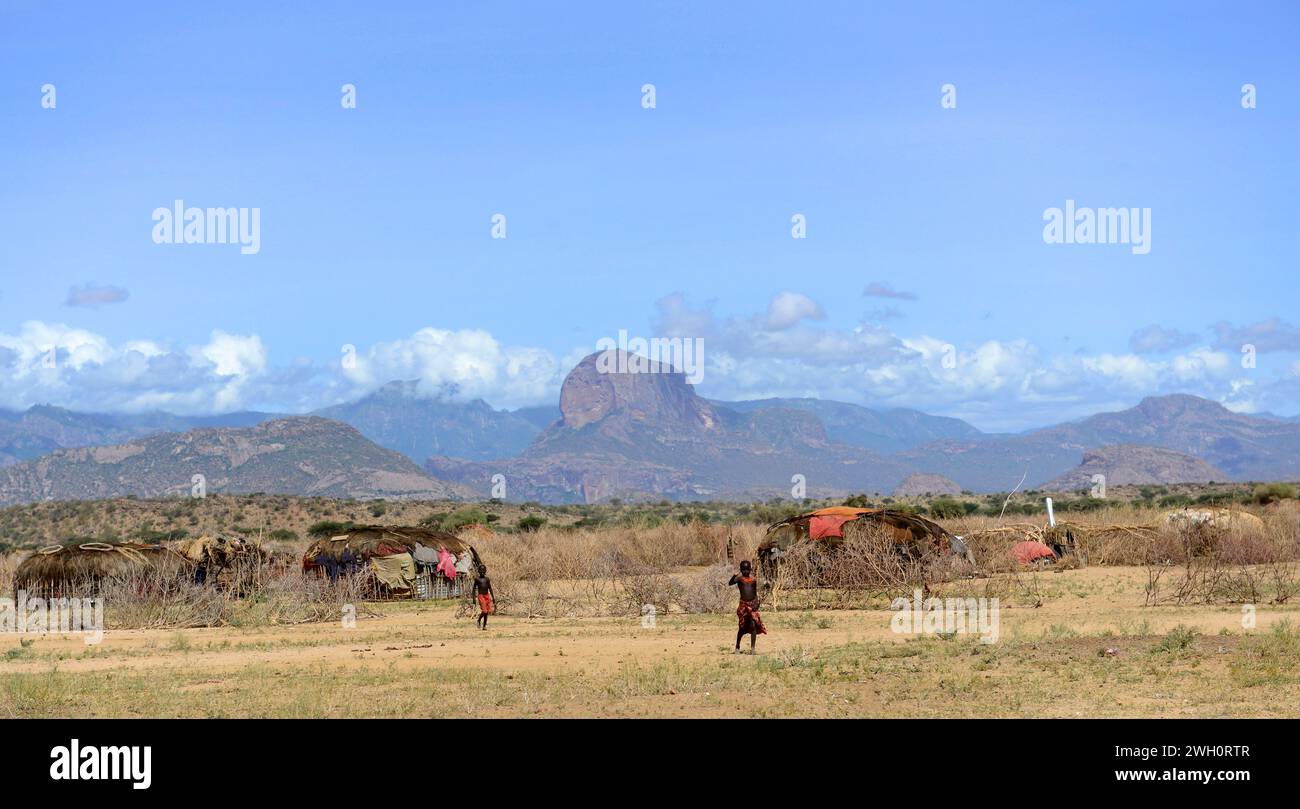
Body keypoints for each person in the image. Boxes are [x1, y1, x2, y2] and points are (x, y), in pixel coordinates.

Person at [728, 560, 766, 653]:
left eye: (747, 570)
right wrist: (734, 575)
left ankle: (752, 648)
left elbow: (755, 593)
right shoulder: (739, 579)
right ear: (741, 570)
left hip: (752, 605)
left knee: (753, 625)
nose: (746, 572)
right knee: (742, 627)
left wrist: (756, 603)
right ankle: (737, 646)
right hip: (743, 605)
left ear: (750, 570)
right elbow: (730, 583)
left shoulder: (753, 580)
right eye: (744, 570)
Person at [472, 566, 494, 630]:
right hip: (481, 596)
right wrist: (474, 599)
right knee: (484, 611)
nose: (482, 572)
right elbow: (474, 589)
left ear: (485, 571)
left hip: (487, 595)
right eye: (481, 571)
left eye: (483, 571)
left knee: (487, 612)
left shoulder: (487, 579)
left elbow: (490, 588)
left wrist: (493, 597)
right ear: (478, 571)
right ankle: (478, 620)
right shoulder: (477, 579)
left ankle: (484, 626)